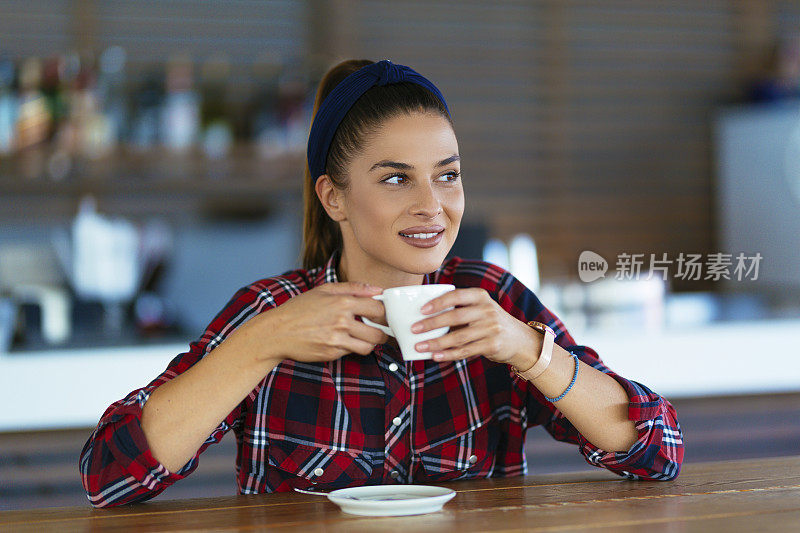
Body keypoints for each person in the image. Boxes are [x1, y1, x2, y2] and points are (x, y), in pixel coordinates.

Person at [79, 59, 683, 508]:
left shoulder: (493, 300)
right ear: (333, 196)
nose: (432, 206)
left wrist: (528, 349)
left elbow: (660, 452)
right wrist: (261, 344)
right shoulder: (272, 310)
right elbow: (107, 475)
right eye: (396, 180)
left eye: (447, 176)